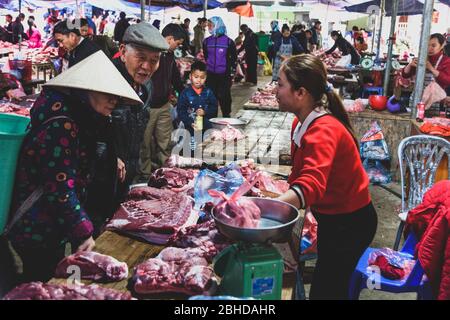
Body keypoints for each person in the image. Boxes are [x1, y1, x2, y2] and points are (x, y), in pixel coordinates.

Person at [5, 51, 143, 283]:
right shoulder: (62, 125)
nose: (114, 101)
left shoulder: (76, 116)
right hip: (37, 226)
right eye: (108, 94)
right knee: (40, 283)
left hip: (48, 223)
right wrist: (82, 229)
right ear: (87, 90)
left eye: (116, 96)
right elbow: (59, 186)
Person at [276, 54, 378, 300]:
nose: (275, 91)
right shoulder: (300, 123)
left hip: (350, 224)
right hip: (333, 219)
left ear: (300, 92)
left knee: (327, 291)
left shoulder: (324, 130)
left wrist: (264, 207)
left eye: (280, 84)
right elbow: (301, 174)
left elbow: (311, 184)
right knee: (329, 285)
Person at [111, 22, 168, 197]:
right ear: (122, 51)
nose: (147, 66)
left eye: (154, 60)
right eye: (140, 57)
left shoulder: (147, 87)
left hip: (130, 170)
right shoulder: (107, 83)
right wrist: (109, 157)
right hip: (103, 173)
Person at [136, 23, 185, 183]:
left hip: (164, 105)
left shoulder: (170, 56)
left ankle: (164, 172)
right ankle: (144, 175)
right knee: (144, 142)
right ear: (169, 39)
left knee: (165, 141)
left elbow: (175, 76)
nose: (178, 46)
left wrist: (182, 92)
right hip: (148, 107)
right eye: (177, 43)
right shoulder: (152, 52)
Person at [203, 16, 237, 118]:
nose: (208, 27)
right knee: (211, 96)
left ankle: (226, 115)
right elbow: (206, 56)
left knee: (224, 96)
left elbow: (233, 58)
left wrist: (232, 72)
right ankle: (212, 117)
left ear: (218, 25)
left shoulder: (228, 41)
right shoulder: (206, 41)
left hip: (224, 74)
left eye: (211, 25)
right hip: (210, 74)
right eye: (208, 25)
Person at [177, 60, 218, 137]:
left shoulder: (209, 92)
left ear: (206, 78)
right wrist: (190, 122)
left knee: (206, 147)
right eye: (196, 77)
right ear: (190, 76)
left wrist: (205, 112)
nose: (199, 80)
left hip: (206, 128)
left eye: (202, 77)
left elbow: (214, 108)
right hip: (190, 129)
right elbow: (181, 111)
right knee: (192, 148)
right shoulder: (185, 93)